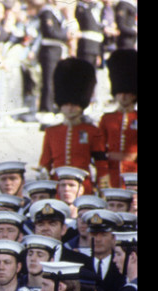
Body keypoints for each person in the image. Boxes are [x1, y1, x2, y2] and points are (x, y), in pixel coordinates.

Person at [39, 58, 107, 195]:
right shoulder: (51, 131)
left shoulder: (92, 131)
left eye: (74, 104)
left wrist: (103, 188)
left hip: (84, 188)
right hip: (58, 188)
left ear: (81, 105)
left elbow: (101, 164)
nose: (70, 108)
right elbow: (45, 163)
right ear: (61, 105)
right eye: (66, 104)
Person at [99, 49, 138, 190]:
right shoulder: (107, 119)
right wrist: (103, 174)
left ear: (134, 95)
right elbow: (100, 149)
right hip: (113, 175)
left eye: (127, 93)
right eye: (119, 93)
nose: (123, 97)